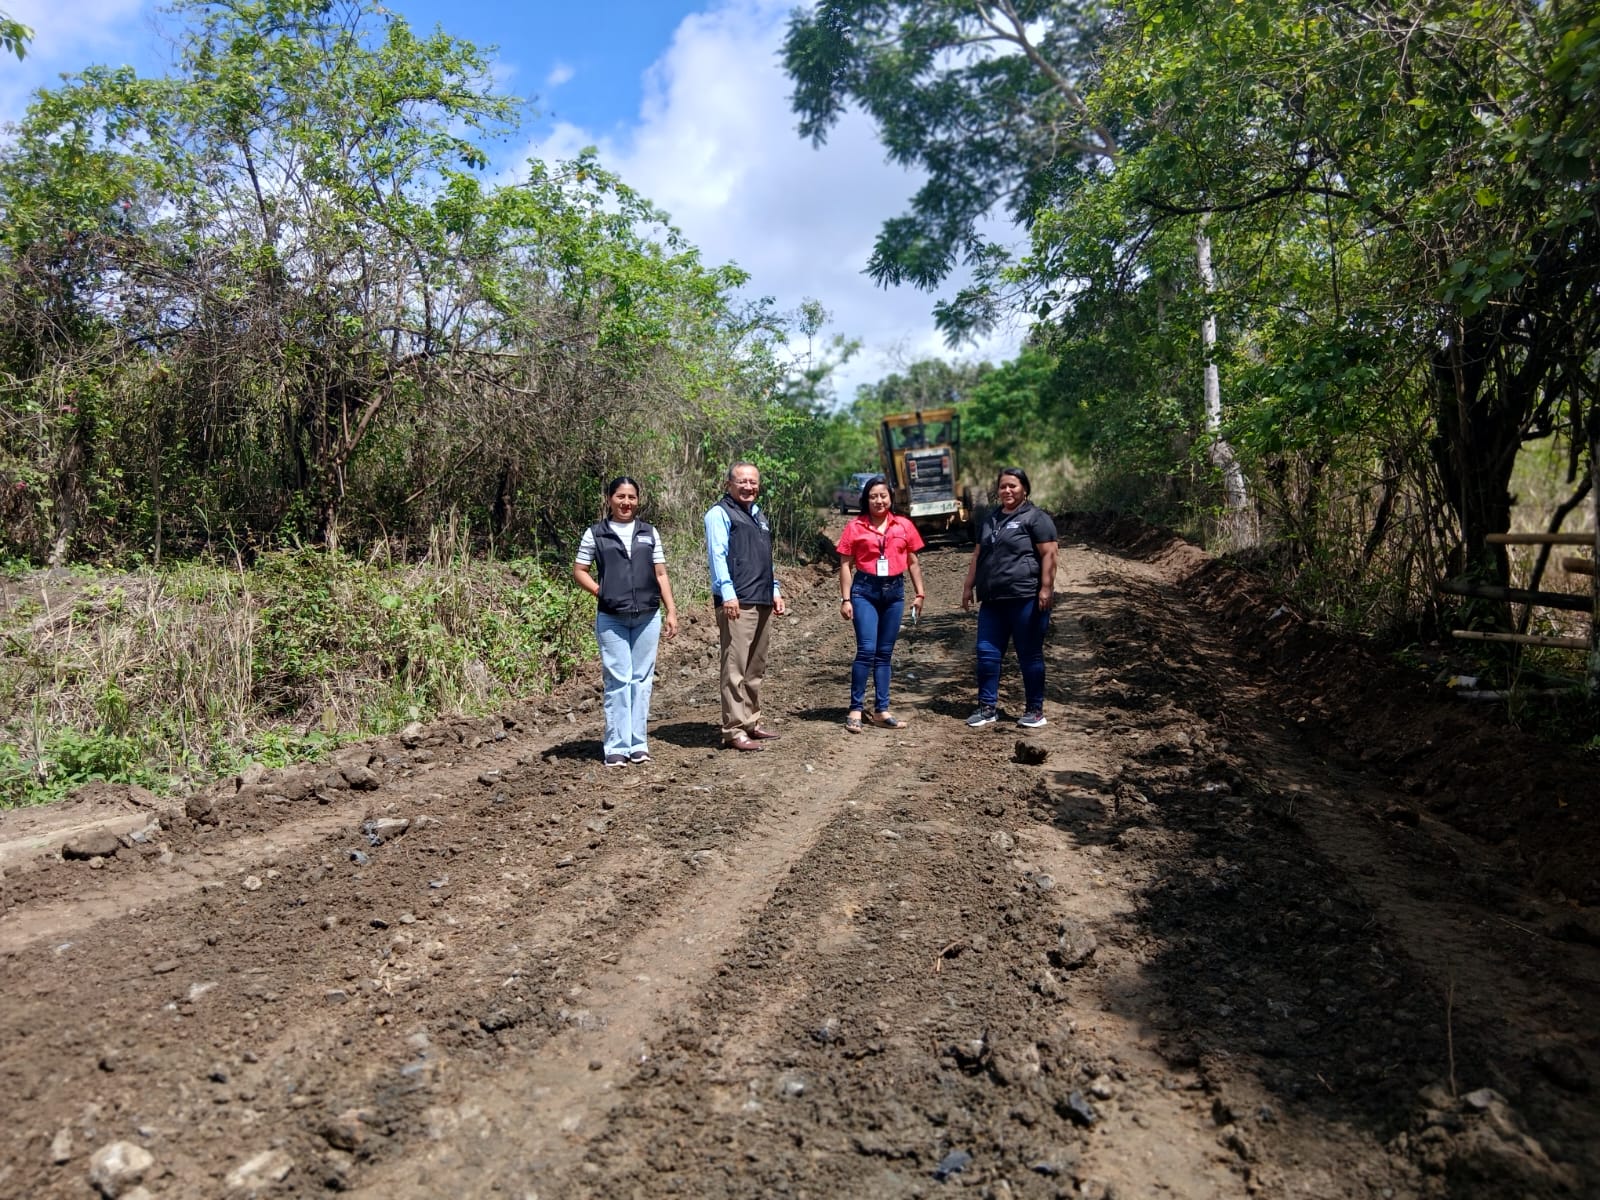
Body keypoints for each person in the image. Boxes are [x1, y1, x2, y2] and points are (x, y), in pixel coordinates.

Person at [573, 477, 679, 766]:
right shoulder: (596, 533)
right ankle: (616, 746)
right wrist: (601, 591)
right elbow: (580, 570)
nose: (626, 502)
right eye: (620, 496)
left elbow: (660, 573)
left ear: (638, 500)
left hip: (648, 616)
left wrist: (671, 610)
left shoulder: (649, 532)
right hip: (612, 618)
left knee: (641, 680)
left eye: (631, 497)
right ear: (609, 499)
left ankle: (638, 744)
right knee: (618, 680)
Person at [960, 467, 1058, 729]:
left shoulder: (1036, 518)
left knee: (1029, 654)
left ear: (1024, 488)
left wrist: (1046, 588)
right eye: (1003, 486)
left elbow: (1050, 554)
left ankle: (1035, 710)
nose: (1007, 491)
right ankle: (987, 708)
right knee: (986, 653)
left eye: (1012, 486)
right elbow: (978, 555)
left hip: (1026, 598)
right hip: (993, 600)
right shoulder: (990, 519)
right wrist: (968, 586)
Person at [704, 462, 786, 751]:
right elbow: (718, 556)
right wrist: (728, 594)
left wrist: (774, 589)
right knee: (735, 667)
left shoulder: (759, 515)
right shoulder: (719, 514)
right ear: (729, 484)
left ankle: (751, 721)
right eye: (742, 481)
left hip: (761, 598)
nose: (748, 487)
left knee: (755, 666)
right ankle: (734, 729)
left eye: (753, 482)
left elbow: (766, 558)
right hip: (737, 601)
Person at [836, 475, 926, 732]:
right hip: (865, 591)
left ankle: (881, 711)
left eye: (883, 496)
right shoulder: (855, 527)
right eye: (873, 496)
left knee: (885, 654)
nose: (879, 501)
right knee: (866, 649)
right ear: (866, 500)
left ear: (890, 497)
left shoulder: (903, 525)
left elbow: (912, 561)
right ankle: (855, 709)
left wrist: (920, 593)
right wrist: (846, 599)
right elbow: (845, 564)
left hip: (894, 592)